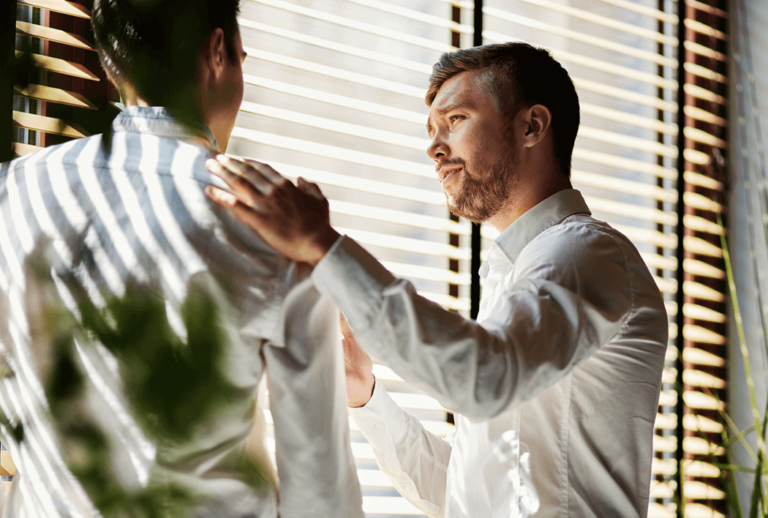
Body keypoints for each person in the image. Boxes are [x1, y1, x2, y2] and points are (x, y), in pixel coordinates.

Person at [205, 42, 668, 517]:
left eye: (456, 120)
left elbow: (482, 378)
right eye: (431, 131)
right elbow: (465, 494)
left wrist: (322, 245)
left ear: (531, 126)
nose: (433, 147)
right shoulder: (514, 272)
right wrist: (366, 396)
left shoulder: (585, 254)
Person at [0, 0, 362, 516]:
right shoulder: (277, 223)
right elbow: (321, 491)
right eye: (242, 56)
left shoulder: (15, 194)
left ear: (109, 64)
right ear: (217, 53)